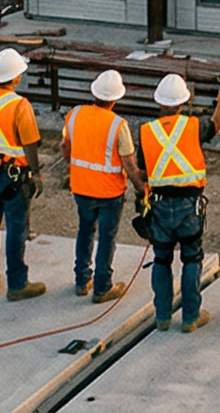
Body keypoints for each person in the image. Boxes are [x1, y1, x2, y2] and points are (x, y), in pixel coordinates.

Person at [140, 73, 212, 333]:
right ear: (183, 102)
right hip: (189, 205)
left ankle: (162, 317)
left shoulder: (146, 131)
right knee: (191, 258)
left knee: (161, 260)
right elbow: (215, 125)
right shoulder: (194, 125)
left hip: (159, 205)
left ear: (160, 102)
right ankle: (191, 317)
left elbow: (141, 168)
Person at [0, 48, 46, 301]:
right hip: (13, 177)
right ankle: (17, 283)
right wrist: (36, 174)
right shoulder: (20, 105)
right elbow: (30, 144)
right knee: (16, 227)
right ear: (15, 78)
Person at [63, 69, 140, 303]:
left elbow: (66, 147)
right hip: (109, 193)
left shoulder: (74, 115)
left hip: (81, 188)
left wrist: (77, 168)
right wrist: (141, 188)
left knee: (85, 232)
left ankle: (81, 280)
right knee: (107, 238)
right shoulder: (118, 125)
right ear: (116, 98)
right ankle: (102, 286)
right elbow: (129, 163)